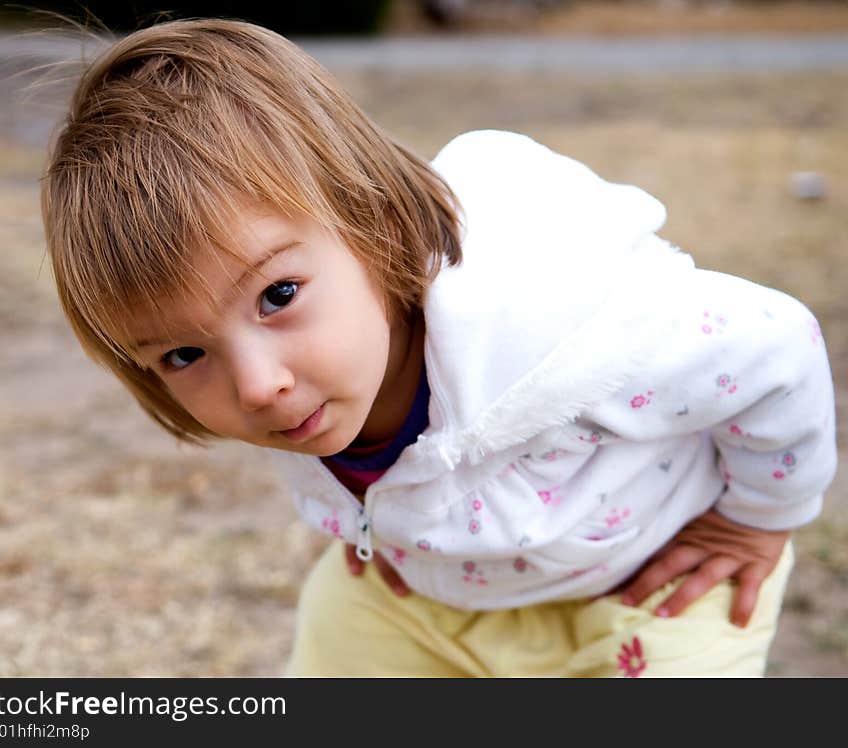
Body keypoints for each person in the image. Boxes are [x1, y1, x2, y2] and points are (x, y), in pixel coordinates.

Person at [41, 18, 838, 677]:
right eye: (182, 356)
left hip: (651, 583)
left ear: (373, 223)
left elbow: (779, 346)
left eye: (278, 297)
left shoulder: (570, 336)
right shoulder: (303, 376)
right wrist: (389, 529)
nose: (256, 386)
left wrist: (759, 520)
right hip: (431, 599)